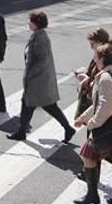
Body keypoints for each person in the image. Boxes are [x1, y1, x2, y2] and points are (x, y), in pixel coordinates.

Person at [73, 43, 112, 204]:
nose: (94, 61)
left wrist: (92, 123)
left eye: (96, 58)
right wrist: (83, 117)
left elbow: (105, 106)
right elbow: (99, 103)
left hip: (111, 130)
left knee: (87, 157)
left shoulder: (106, 78)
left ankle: (92, 195)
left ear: (102, 59)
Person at [7, 11, 76, 143]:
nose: (28, 23)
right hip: (38, 80)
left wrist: (30, 75)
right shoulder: (37, 35)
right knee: (32, 104)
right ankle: (22, 131)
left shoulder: (40, 38)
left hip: (38, 80)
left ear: (36, 24)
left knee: (36, 104)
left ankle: (67, 128)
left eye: (31, 21)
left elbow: (42, 60)